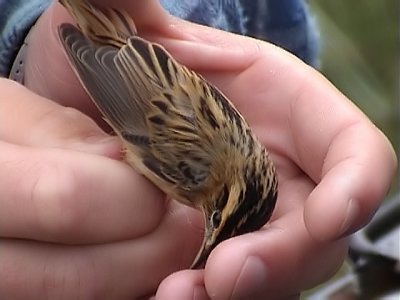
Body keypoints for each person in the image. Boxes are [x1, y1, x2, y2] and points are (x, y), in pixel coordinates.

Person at [0, 1, 397, 299]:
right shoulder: (194, 176)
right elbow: (132, 124)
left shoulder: (241, 138)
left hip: (130, 46)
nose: (206, 225)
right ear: (221, 193)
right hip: (121, 76)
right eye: (214, 219)